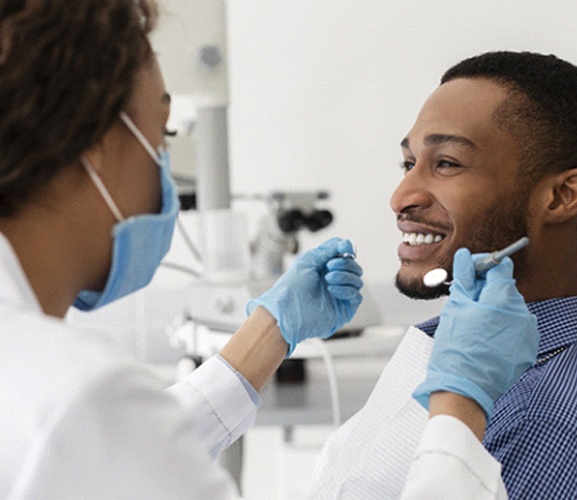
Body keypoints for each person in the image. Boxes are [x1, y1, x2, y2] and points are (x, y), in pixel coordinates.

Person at [0, 1, 541, 497]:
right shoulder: (76, 397)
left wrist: (269, 334)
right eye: (163, 135)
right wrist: (461, 405)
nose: (402, 196)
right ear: (94, 146)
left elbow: (108, 462)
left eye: (446, 163)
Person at [304, 50, 577, 499]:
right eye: (408, 164)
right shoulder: (462, 354)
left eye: (446, 163)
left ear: (561, 196)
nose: (402, 196)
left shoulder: (541, 418)